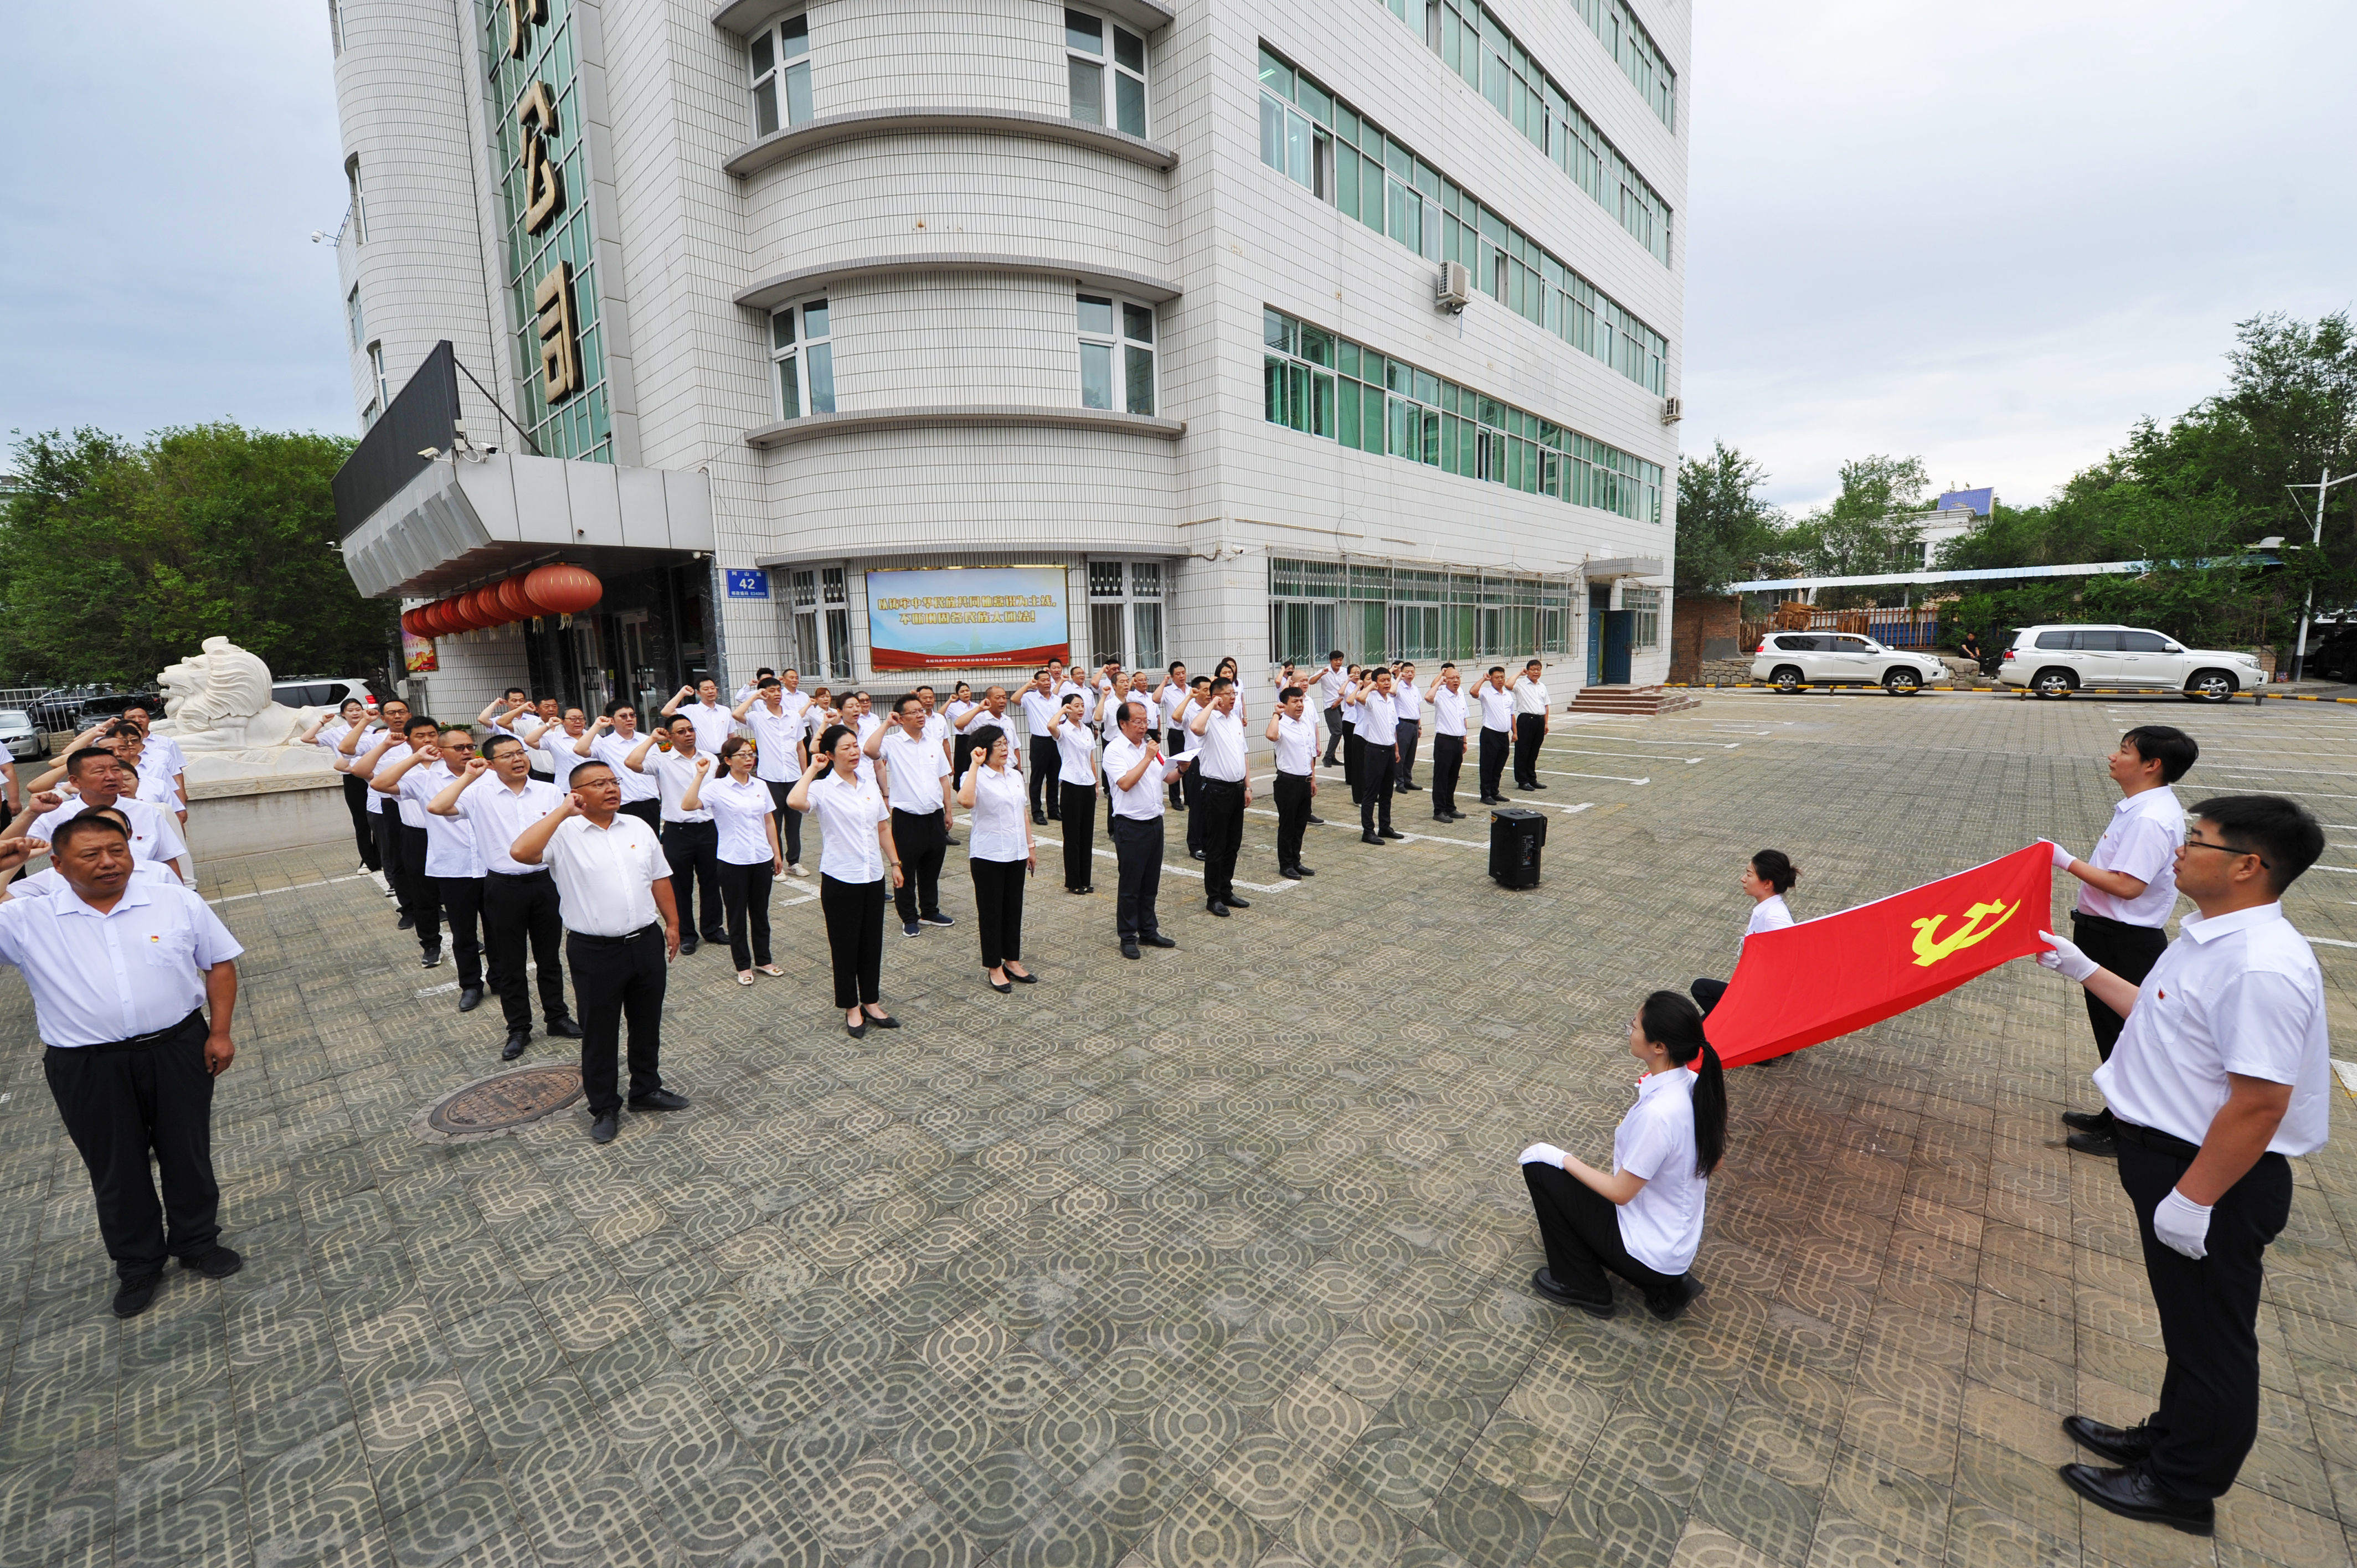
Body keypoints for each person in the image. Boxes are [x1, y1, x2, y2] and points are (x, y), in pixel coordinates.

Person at [2031, 795, 2328, 1536]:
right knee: (2186, 1325)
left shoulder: (2261, 965)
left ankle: (2181, 1486)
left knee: (2211, 1339)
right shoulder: (2211, 935)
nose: (2179, 851)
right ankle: (2168, 1436)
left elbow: (2260, 1102)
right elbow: (2161, 1017)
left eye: (2198, 841)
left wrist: (2195, 1198)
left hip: (2210, 1173)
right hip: (2169, 1155)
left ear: (2248, 866)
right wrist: (2083, 968)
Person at [0, 814, 244, 1318]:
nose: (110, 863)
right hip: (87, 1065)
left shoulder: (174, 900)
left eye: (118, 850)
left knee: (188, 1150)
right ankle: (138, 1265)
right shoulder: (28, 919)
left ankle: (197, 1242)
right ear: (59, 864)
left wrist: (219, 1031)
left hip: (178, 1048)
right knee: (116, 1167)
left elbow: (218, 963)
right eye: (91, 855)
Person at [508, 761, 687, 1145]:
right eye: (599, 783)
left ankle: (646, 1089)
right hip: (595, 951)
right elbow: (521, 852)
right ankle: (604, 1106)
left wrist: (672, 924)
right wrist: (562, 811)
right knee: (600, 1032)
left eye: (614, 781)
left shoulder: (637, 826)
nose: (611, 789)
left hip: (645, 942)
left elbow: (659, 877)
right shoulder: (563, 833)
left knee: (647, 1021)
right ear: (577, 793)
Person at [1520, 991, 1723, 1321]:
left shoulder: (1659, 1114)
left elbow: (1621, 1193)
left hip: (1650, 1254)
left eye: (1636, 1025)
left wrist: (1560, 1157)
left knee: (1541, 1169)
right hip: (1674, 1246)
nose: (1631, 1030)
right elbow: (1715, 1160)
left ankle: (1584, 1286)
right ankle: (1664, 1284)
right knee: (1575, 1188)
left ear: (1659, 1047)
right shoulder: (1695, 1085)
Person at [2044, 725, 2199, 1158]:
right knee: (2114, 1032)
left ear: (2152, 765)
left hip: (2124, 939)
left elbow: (2128, 886)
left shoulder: (2151, 818)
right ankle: (2115, 1113)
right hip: (2108, 933)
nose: (2114, 757)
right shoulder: (2139, 808)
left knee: (2126, 1035)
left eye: (2125, 751)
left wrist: (2065, 861)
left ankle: (2128, 1131)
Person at [434, 734, 580, 1060]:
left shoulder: (549, 791)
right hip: (503, 887)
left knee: (549, 958)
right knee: (510, 963)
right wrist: (470, 776)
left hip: (545, 882)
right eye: (507, 755)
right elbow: (438, 807)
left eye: (521, 753)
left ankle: (557, 1017)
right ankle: (519, 1029)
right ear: (491, 763)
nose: (518, 759)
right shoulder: (478, 794)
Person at [789, 724, 904, 1038]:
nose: (854, 752)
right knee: (844, 946)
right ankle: (851, 1007)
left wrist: (894, 863)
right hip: (841, 879)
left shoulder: (868, 785)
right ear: (829, 755)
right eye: (846, 748)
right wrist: (812, 769)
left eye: (856, 746)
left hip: (872, 877)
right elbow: (794, 801)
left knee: (871, 943)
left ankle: (871, 1000)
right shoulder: (822, 790)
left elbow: (882, 828)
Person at [374, 724, 486, 982]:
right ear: (442, 752)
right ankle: (470, 984)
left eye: (471, 747)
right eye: (459, 748)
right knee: (463, 933)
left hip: (490, 866)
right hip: (453, 867)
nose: (467, 752)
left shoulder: (490, 777)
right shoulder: (425, 780)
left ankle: (502, 980)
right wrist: (417, 757)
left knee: (498, 930)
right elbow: (380, 784)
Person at [681, 735, 784, 984]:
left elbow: (769, 820)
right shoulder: (717, 788)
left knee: (761, 913)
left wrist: (777, 852)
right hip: (732, 860)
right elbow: (688, 805)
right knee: (737, 915)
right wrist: (699, 775)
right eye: (742, 755)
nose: (749, 758)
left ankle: (763, 960)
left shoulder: (760, 785)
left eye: (751, 754)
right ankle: (742, 966)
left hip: (761, 857)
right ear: (727, 760)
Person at [18, 748, 194, 882]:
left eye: (116, 770)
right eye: (100, 772)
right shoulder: (55, 814)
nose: (111, 777)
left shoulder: (146, 811)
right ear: (74, 781)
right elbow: (11, 848)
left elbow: (169, 860)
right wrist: (31, 813)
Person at [630, 714, 728, 955]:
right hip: (678, 831)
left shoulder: (710, 760)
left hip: (709, 828)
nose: (688, 734)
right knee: (680, 885)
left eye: (691, 729)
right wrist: (653, 739)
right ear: (671, 736)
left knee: (711, 881)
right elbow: (632, 763)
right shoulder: (661, 760)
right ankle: (686, 934)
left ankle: (713, 928)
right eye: (681, 731)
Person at [1103, 700, 1188, 959]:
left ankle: (1148, 930)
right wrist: (1147, 757)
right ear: (1123, 724)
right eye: (1138, 722)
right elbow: (1126, 783)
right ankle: (1128, 936)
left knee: (1151, 882)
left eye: (1146, 721)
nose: (1144, 727)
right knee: (1131, 886)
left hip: (1155, 823)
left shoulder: (1150, 747)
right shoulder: (1115, 751)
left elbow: (1167, 777)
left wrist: (1183, 768)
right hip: (1130, 826)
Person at [959, 723, 1038, 993]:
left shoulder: (1014, 776)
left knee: (1013, 908)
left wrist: (1030, 846)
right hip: (988, 855)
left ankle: (1012, 960)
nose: (1005, 749)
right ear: (983, 749)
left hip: (1016, 852)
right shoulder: (974, 777)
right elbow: (966, 801)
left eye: (1006, 743)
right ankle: (994, 966)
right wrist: (974, 765)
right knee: (991, 912)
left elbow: (1023, 812)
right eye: (999, 745)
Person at [871, 693, 957, 936]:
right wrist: (886, 724)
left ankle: (929, 910)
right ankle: (909, 917)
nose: (921, 715)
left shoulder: (933, 743)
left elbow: (943, 778)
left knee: (932, 867)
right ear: (901, 717)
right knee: (906, 870)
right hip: (907, 818)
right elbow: (869, 750)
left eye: (922, 711)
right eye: (914, 712)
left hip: (934, 816)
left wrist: (948, 810)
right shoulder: (892, 743)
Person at [1689, 851, 1799, 1015]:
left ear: (1767, 883)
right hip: (1752, 988)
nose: (1743, 878)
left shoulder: (1775, 916)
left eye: (1749, 874)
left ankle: (1741, 1024)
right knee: (1702, 1023)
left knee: (1700, 988)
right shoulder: (1767, 909)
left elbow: (1795, 954)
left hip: (1761, 997)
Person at [342, 697, 415, 917]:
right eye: (391, 713)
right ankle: (408, 907)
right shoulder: (376, 740)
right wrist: (365, 721)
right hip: (386, 805)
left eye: (402, 712)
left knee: (419, 856)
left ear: (409, 715)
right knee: (395, 857)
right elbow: (346, 749)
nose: (397, 716)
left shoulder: (418, 738)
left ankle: (432, 903)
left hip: (417, 803)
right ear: (383, 718)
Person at [735, 677, 810, 877]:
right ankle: (776, 864)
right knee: (773, 823)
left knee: (794, 823)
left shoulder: (794, 717)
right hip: (770, 779)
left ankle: (794, 861)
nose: (777, 694)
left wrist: (805, 777)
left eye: (779, 690)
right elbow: (737, 714)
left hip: (794, 777)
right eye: (772, 690)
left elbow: (801, 748)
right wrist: (754, 697)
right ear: (764, 694)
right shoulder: (758, 718)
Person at [1190, 676, 1251, 914]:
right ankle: (1213, 896)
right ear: (1217, 697)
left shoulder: (1234, 720)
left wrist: (1247, 787)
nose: (1233, 698)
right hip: (1216, 791)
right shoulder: (1209, 720)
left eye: (1234, 694)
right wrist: (1211, 706)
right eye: (1228, 694)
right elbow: (1195, 728)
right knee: (1216, 847)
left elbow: (1243, 754)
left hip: (1237, 789)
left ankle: (1226, 889)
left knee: (1232, 845)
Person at [305, 698, 381, 871]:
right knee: (361, 821)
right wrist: (322, 722)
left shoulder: (375, 731)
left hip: (375, 777)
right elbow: (306, 738)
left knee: (378, 819)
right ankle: (368, 861)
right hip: (352, 779)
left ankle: (382, 858)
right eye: (350, 710)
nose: (355, 713)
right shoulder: (336, 733)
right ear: (343, 714)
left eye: (358, 709)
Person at [577, 703, 663, 829]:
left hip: (651, 802)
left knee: (651, 843)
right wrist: (597, 726)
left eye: (632, 715)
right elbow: (580, 749)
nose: (629, 719)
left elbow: (659, 771)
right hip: (624, 804)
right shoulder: (605, 744)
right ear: (612, 720)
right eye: (623, 716)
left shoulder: (649, 741)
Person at [1265, 684, 1319, 881]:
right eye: (1295, 702)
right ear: (1284, 704)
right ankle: (1286, 864)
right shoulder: (1280, 724)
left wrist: (1313, 779)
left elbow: (1310, 754)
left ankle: (1296, 861)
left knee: (1300, 826)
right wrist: (1276, 714)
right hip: (1287, 783)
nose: (1300, 705)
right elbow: (1271, 736)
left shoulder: (1304, 723)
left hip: (1305, 782)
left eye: (1301, 701)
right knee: (1287, 826)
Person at [1049, 691, 1098, 894]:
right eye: (1075, 706)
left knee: (1086, 834)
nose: (1080, 709)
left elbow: (1091, 758)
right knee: (1072, 835)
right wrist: (1062, 710)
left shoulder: (1087, 731)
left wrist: (1096, 783)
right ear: (1068, 708)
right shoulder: (1063, 730)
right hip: (1071, 784)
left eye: (1082, 706)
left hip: (1087, 784)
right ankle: (1074, 882)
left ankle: (1085, 879)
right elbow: (1050, 726)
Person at [1354, 666, 1403, 845]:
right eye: (1382, 681)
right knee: (1371, 793)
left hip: (1390, 750)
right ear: (1376, 682)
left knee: (1387, 792)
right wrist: (1370, 687)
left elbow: (1393, 727)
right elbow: (1358, 698)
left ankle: (1385, 826)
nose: (1386, 683)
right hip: (1375, 751)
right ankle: (1368, 831)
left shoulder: (1390, 700)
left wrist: (1396, 749)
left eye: (1388, 680)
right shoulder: (1371, 699)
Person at [1020, 668, 1062, 824]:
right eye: (1043, 680)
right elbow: (1014, 699)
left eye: (1048, 680)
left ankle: (1053, 810)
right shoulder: (1030, 697)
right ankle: (1037, 812)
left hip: (1055, 741)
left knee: (1054, 778)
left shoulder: (1058, 700)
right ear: (1036, 682)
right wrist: (1027, 686)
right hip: (1039, 742)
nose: (1047, 683)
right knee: (1037, 778)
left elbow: (1062, 721)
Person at [1428, 663, 1468, 822]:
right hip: (1445, 741)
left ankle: (1450, 807)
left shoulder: (1461, 694)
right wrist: (1440, 682)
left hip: (1458, 741)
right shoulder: (1441, 693)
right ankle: (1439, 810)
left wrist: (1465, 740)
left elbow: (1463, 718)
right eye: (1452, 678)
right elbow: (1428, 697)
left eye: (1458, 677)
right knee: (1441, 777)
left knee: (1453, 776)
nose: (1456, 680)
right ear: (1446, 680)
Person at [661, 678, 739, 755]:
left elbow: (731, 736)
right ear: (698, 693)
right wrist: (682, 693)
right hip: (701, 757)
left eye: (713, 688)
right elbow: (666, 712)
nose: (711, 691)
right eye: (706, 689)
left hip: (724, 756)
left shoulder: (725, 711)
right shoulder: (691, 710)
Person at [1510, 659, 1551, 791]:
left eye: (1538, 669)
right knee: (1523, 751)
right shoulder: (1520, 684)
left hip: (1539, 721)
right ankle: (1522, 781)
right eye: (1533, 669)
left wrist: (1546, 723)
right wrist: (1519, 673)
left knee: (1534, 751)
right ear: (1528, 670)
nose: (1536, 672)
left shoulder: (1542, 686)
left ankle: (1532, 779)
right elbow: (1508, 685)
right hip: (1525, 720)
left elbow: (1546, 705)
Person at [1475, 666, 1512, 804]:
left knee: (1499, 765)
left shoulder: (1508, 695)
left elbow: (1511, 714)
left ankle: (1495, 791)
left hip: (1504, 735)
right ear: (1491, 679)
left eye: (1502, 677)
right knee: (1487, 765)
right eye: (1497, 678)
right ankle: (1485, 795)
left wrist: (1515, 732)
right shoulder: (1486, 692)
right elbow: (1473, 692)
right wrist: (1483, 680)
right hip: (1490, 734)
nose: (1500, 680)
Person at [1156, 662, 1191, 808]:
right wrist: (1164, 683)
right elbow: (1156, 699)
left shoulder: (1191, 690)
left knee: (1190, 764)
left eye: (1183, 672)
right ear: (1172, 676)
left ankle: (1190, 797)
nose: (1182, 676)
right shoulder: (1168, 691)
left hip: (1190, 732)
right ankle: (1175, 799)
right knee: (1176, 764)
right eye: (1178, 674)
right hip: (1176, 733)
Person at [1392, 662, 1423, 792]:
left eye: (1412, 672)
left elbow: (1417, 708)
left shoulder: (1415, 689)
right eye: (1407, 672)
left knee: (1411, 754)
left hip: (1414, 725)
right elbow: (1392, 692)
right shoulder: (1398, 687)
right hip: (1403, 724)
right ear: (1402, 672)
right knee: (1402, 755)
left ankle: (1407, 780)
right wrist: (1399, 677)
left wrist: (1420, 726)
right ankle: (1399, 782)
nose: (1410, 674)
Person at [1315, 650, 1349, 767]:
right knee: (1337, 731)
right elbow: (1311, 681)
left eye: (1341, 660)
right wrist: (1321, 674)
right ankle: (1328, 757)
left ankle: (1332, 756)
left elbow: (1348, 687)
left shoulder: (1345, 672)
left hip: (1343, 705)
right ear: (1331, 661)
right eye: (1336, 660)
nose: (1339, 662)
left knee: (1342, 732)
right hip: (1330, 706)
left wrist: (1339, 700)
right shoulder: (1325, 671)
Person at [946, 682, 982, 787]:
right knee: (962, 765)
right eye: (962, 691)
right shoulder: (953, 706)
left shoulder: (977, 706)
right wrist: (949, 701)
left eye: (967, 690)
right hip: (963, 740)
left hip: (976, 738)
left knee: (976, 764)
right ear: (957, 694)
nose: (966, 693)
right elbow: (940, 715)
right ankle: (960, 788)